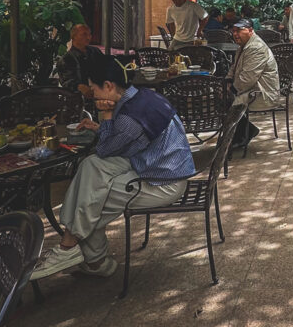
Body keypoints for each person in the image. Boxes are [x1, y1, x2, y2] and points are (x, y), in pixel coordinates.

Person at [31, 55, 194, 280]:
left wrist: (106, 115)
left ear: (108, 85)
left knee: (93, 195)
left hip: (164, 182)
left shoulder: (129, 118)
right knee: (90, 166)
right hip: (152, 163)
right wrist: (100, 126)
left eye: (93, 89)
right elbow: (121, 142)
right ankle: (85, 255)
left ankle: (77, 251)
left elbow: (105, 149)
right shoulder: (142, 96)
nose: (92, 94)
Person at [227, 18, 281, 148]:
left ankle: (242, 134)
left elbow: (247, 79)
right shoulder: (244, 46)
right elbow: (234, 68)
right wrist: (227, 81)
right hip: (250, 89)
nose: (235, 34)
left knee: (225, 101)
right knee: (220, 97)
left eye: (239, 30)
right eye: (234, 31)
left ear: (250, 31)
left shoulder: (256, 48)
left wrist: (230, 90)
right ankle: (243, 131)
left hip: (261, 93)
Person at [56, 23, 103, 100]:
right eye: (84, 34)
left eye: (89, 34)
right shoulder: (66, 59)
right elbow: (67, 83)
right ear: (73, 37)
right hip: (79, 99)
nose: (88, 37)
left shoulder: (95, 51)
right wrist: (79, 87)